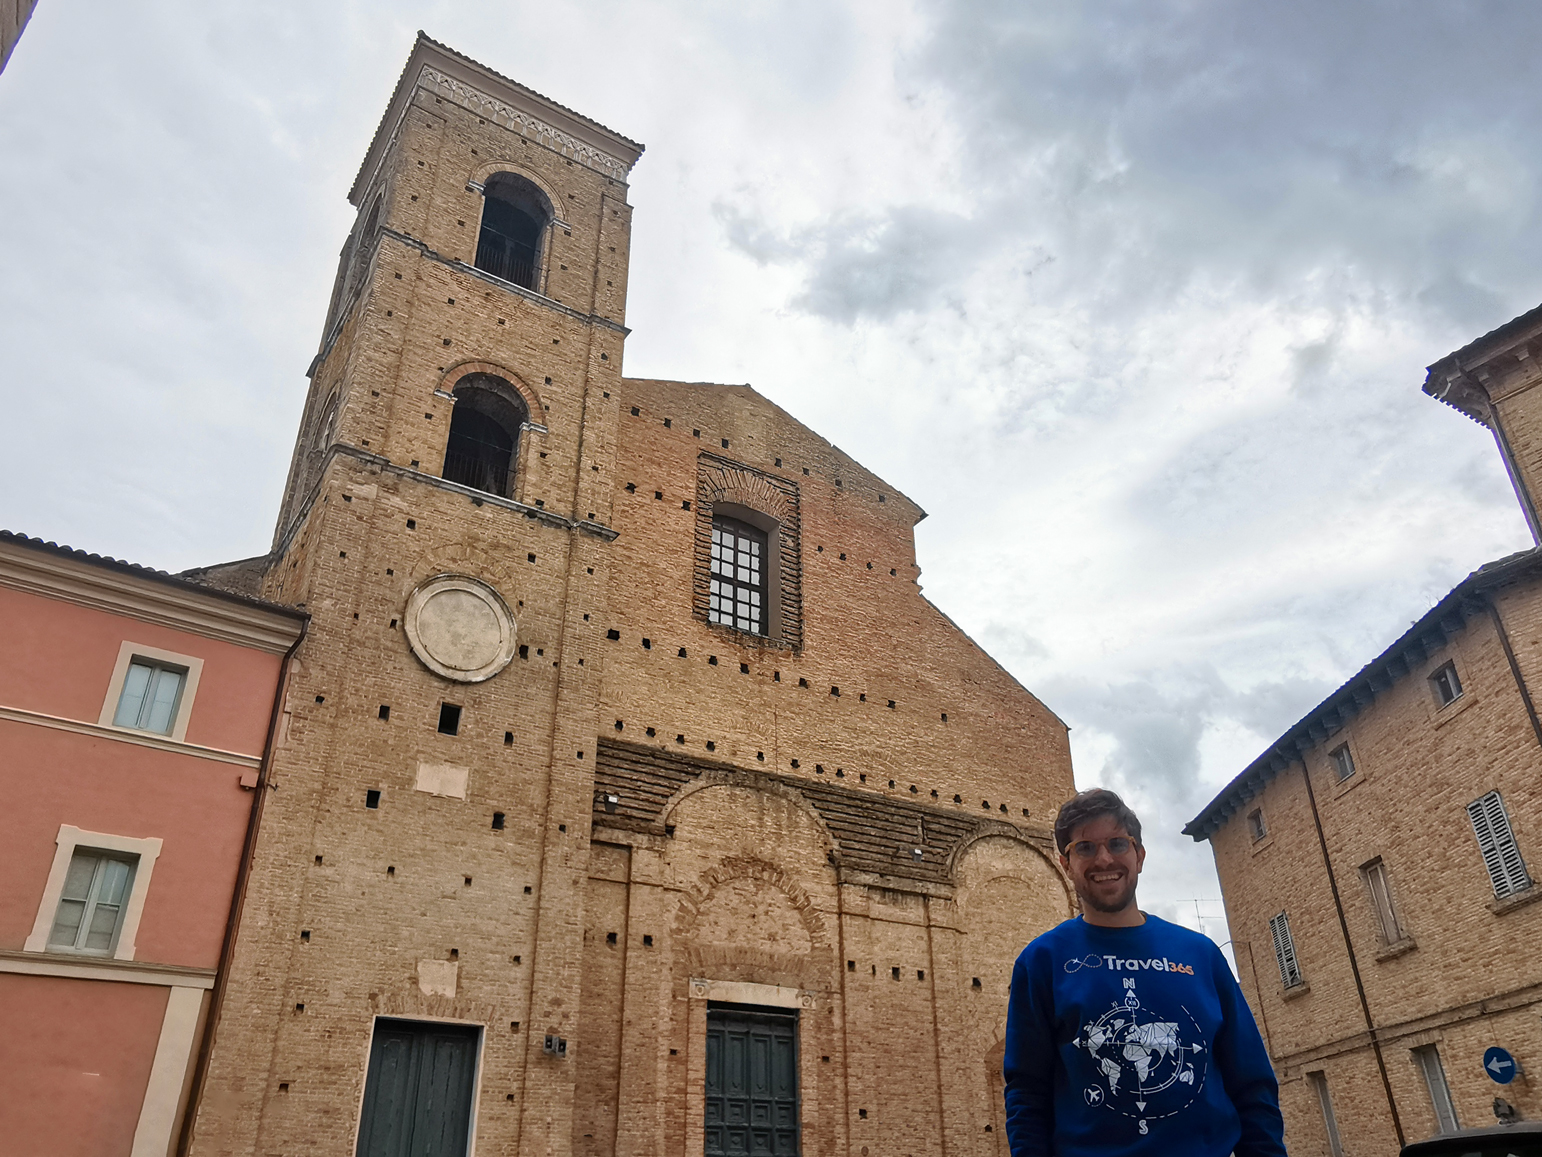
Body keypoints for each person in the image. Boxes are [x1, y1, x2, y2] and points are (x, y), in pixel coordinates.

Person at [1002, 789, 1286, 1157]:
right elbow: (1026, 1092)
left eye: (1118, 844)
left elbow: (1252, 1084)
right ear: (1064, 863)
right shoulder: (1041, 961)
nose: (1104, 859)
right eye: (1085, 848)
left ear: (1139, 856)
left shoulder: (1200, 955)